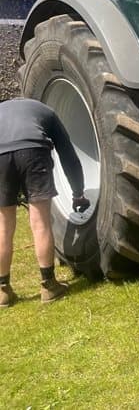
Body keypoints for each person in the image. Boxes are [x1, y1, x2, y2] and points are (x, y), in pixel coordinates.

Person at [0, 98, 90, 307]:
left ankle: (3, 291)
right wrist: (78, 193)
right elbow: (69, 156)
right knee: (39, 221)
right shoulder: (45, 111)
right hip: (33, 151)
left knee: (3, 226)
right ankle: (49, 286)